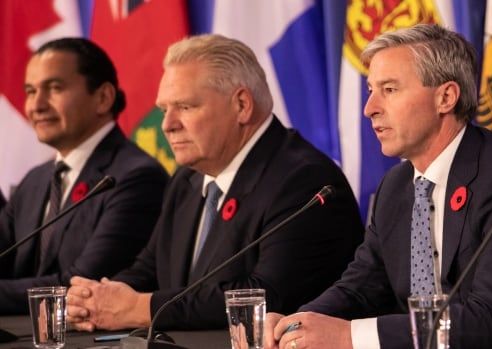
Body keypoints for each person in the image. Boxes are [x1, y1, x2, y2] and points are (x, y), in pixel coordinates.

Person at [265, 24, 492, 349]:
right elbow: (362, 288)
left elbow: (489, 322)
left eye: (389, 90)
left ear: (445, 97)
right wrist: (297, 324)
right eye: (371, 91)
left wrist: (348, 335)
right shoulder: (397, 186)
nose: (369, 109)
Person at [66, 34, 364, 331]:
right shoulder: (187, 179)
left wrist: (142, 308)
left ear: (242, 105)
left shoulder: (303, 180)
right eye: (163, 109)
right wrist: (97, 300)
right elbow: (149, 268)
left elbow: (265, 295)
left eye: (185, 107)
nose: (167, 125)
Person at [0, 38, 168, 314]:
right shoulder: (35, 180)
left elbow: (81, 286)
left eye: (54, 88)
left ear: (103, 98)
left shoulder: (137, 177)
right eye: (30, 91)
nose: (36, 105)